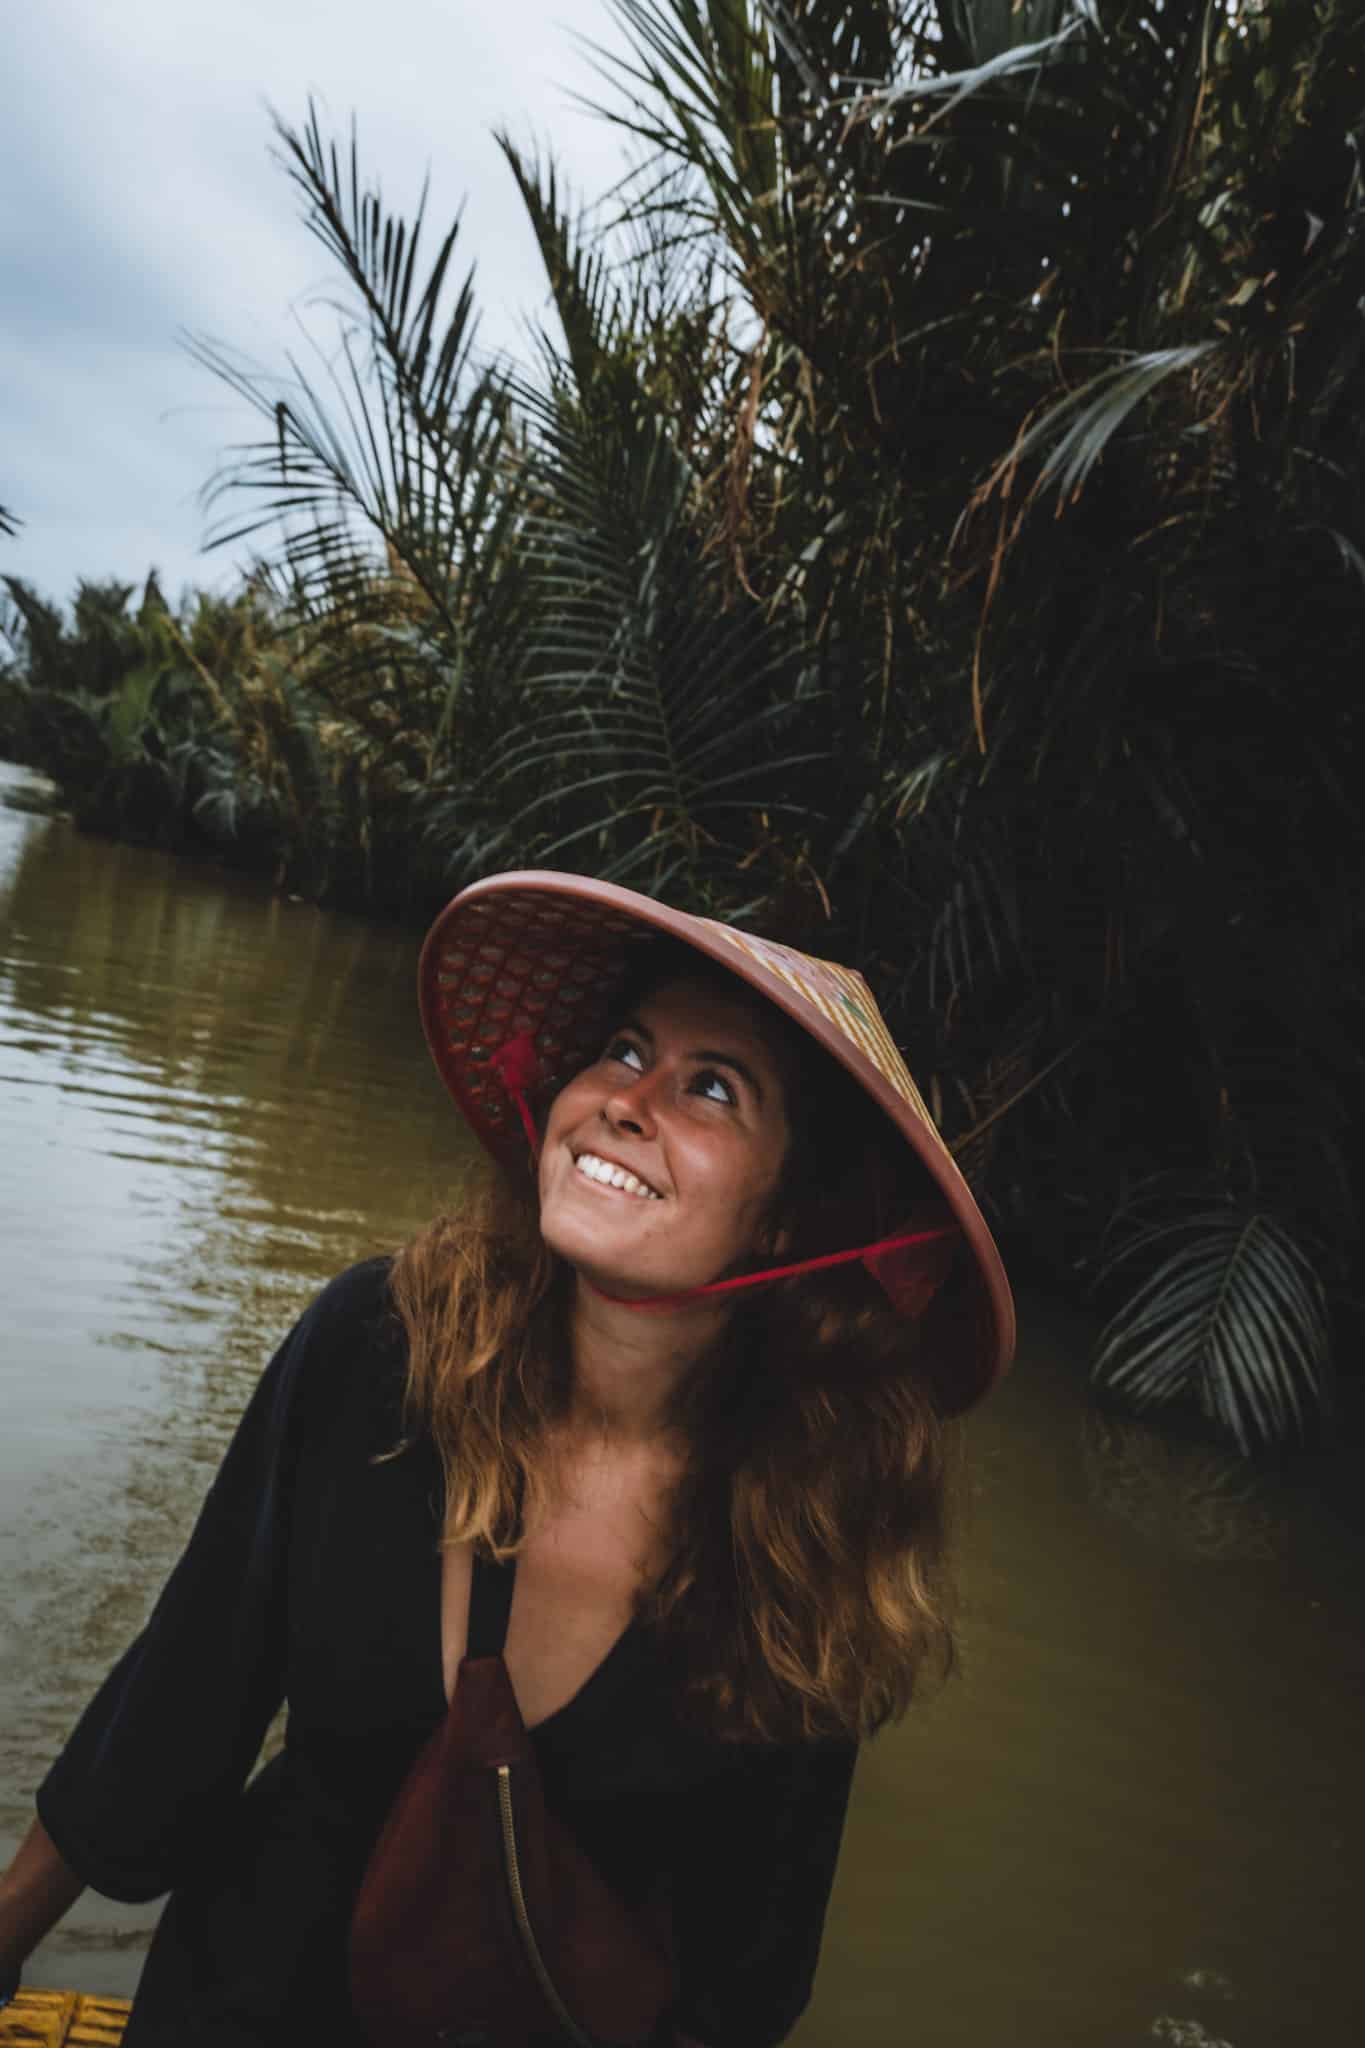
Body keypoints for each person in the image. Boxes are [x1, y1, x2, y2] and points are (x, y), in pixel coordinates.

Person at [0, 871, 1014, 2047]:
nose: (629, 1102)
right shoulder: (379, 1347)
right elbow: (189, 1685)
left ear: (787, 1219)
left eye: (713, 1088)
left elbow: (746, 1972)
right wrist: (13, 1921)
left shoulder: (808, 1527)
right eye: (625, 1051)